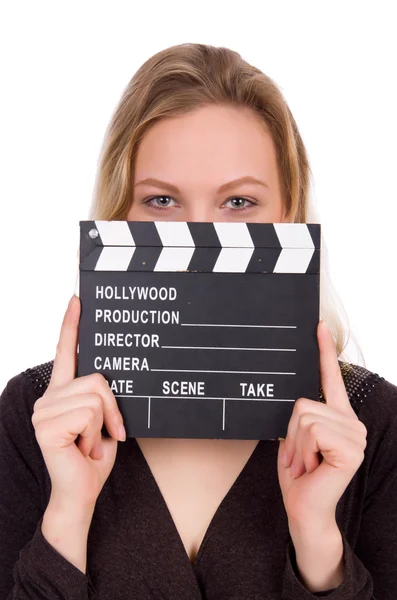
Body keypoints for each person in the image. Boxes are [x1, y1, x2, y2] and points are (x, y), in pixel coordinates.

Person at [1, 43, 396, 600]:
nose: (200, 236)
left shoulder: (370, 428)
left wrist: (317, 547)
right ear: (120, 214)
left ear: (290, 213)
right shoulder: (34, 420)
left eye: (239, 203)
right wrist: (66, 515)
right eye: (161, 200)